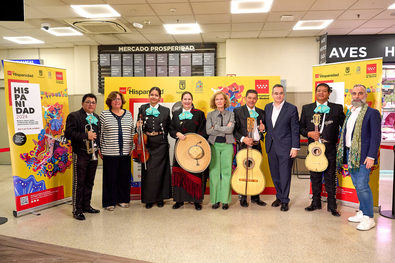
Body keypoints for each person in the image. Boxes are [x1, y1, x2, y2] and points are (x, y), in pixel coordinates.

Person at [336, 84, 381, 231]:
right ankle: (362, 212)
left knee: (362, 185)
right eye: (354, 93)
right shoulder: (350, 112)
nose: (357, 96)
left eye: (360, 93)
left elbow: (376, 137)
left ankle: (369, 217)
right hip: (350, 154)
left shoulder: (372, 113)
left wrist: (371, 156)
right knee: (357, 185)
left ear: (365, 96)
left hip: (364, 156)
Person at [300, 83, 345, 217]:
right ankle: (316, 202)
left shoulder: (337, 108)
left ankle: (332, 206)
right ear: (315, 92)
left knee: (330, 177)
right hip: (313, 149)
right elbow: (300, 127)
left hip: (329, 148)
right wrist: (309, 134)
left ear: (329, 93)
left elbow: (344, 126)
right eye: (319, 91)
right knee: (315, 177)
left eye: (324, 91)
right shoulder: (307, 108)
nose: (321, 93)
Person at [65, 93, 101, 221]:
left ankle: (86, 205)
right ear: (82, 103)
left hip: (93, 153)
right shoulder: (74, 116)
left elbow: (99, 134)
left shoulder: (96, 117)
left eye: (93, 102)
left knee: (89, 182)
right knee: (79, 183)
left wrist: (99, 149)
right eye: (88, 102)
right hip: (80, 153)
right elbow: (68, 133)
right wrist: (86, 136)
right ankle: (77, 210)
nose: (91, 104)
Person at [264, 84, 300, 212]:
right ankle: (279, 197)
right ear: (272, 94)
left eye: (280, 93)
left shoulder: (291, 109)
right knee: (275, 174)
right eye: (276, 93)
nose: (278, 95)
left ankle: (285, 200)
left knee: (285, 175)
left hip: (286, 147)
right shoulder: (268, 107)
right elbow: (267, 127)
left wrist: (295, 147)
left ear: (284, 94)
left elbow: (295, 129)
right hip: (271, 146)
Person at [170, 91, 207, 210]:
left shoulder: (199, 114)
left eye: (189, 99)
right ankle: (179, 200)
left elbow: (203, 131)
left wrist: (195, 140)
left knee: (194, 173)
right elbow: (170, 129)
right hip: (180, 148)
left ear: (192, 100)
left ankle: (196, 200)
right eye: (185, 99)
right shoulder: (175, 114)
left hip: (195, 148)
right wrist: (176, 133)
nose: (187, 101)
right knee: (179, 173)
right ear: (181, 101)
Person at [136, 87, 172, 209]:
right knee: (148, 172)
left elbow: (169, 127)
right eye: (151, 94)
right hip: (147, 144)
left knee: (161, 172)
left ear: (159, 97)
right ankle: (149, 199)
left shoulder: (166, 111)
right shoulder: (142, 108)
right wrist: (138, 126)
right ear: (149, 96)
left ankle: (160, 198)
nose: (153, 97)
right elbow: (138, 127)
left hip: (161, 144)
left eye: (156, 95)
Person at [99, 91, 134, 211]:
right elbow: (100, 133)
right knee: (110, 178)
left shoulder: (128, 114)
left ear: (122, 101)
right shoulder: (104, 115)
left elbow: (132, 132)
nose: (117, 101)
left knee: (124, 177)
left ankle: (123, 199)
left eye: (119, 99)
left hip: (125, 152)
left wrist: (132, 147)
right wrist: (99, 148)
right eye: (114, 99)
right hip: (109, 152)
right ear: (110, 102)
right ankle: (109, 201)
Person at [233, 89, 266, 207]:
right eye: (250, 98)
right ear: (245, 98)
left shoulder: (261, 112)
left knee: (255, 171)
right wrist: (243, 139)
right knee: (243, 171)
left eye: (254, 98)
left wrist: (263, 129)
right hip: (243, 146)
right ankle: (243, 198)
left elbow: (264, 128)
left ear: (256, 99)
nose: (252, 100)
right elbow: (234, 130)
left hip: (256, 146)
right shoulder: (237, 111)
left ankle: (255, 197)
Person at [206, 91, 235, 210]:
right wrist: (224, 128)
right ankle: (215, 200)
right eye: (217, 99)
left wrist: (216, 127)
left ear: (225, 101)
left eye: (221, 99)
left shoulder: (231, 114)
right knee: (214, 173)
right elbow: (208, 131)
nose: (219, 101)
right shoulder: (210, 114)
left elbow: (230, 130)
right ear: (214, 102)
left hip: (227, 145)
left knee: (226, 172)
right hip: (214, 145)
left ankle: (225, 200)